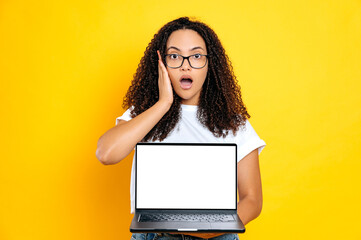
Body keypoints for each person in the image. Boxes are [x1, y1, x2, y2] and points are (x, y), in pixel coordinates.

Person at [96, 16, 266, 240]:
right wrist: (163, 104)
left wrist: (211, 230)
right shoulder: (145, 114)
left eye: (196, 56)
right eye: (174, 56)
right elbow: (106, 153)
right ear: (162, 63)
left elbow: (252, 200)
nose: (186, 65)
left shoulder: (233, 123)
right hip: (154, 236)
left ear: (209, 63)